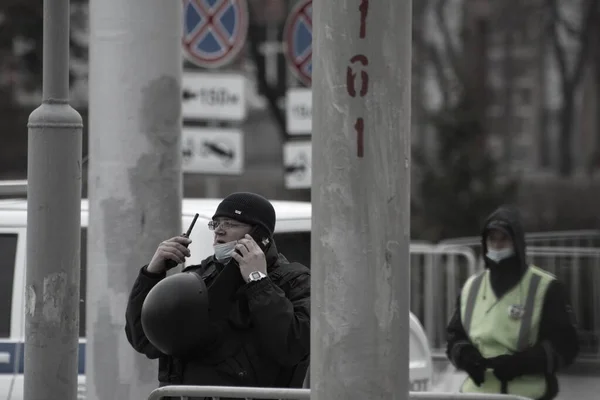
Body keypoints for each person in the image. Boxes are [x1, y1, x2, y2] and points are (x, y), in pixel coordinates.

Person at [125, 192, 311, 398]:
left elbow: (292, 347)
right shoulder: (197, 277)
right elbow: (144, 341)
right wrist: (151, 274)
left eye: (231, 224)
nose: (219, 230)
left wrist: (258, 281)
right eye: (216, 224)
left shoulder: (293, 281)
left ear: (260, 236)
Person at [446, 205, 579, 400]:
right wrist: (465, 356)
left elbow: (566, 346)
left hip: (528, 395)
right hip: (476, 394)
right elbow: (454, 338)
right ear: (485, 243)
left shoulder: (546, 287)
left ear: (517, 242)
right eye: (492, 239)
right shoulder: (471, 287)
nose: (497, 246)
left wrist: (522, 364)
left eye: (504, 239)